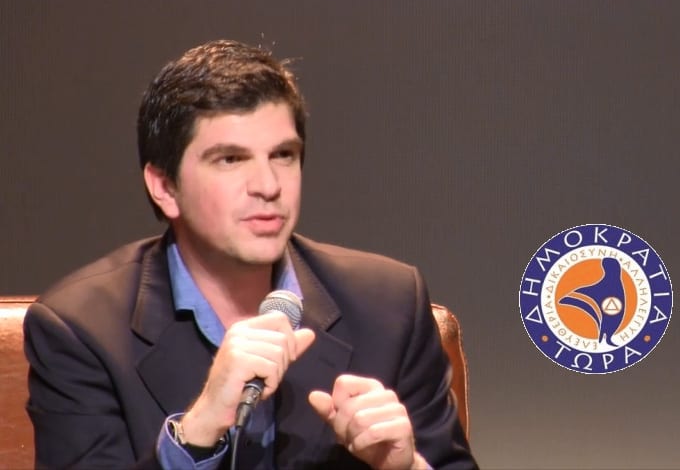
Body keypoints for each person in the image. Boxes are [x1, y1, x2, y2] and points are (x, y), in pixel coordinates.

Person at [23, 39, 477, 469]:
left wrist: (405, 465)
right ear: (164, 186)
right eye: (231, 159)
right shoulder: (80, 330)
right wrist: (199, 429)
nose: (268, 185)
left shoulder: (389, 305)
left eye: (283, 155)